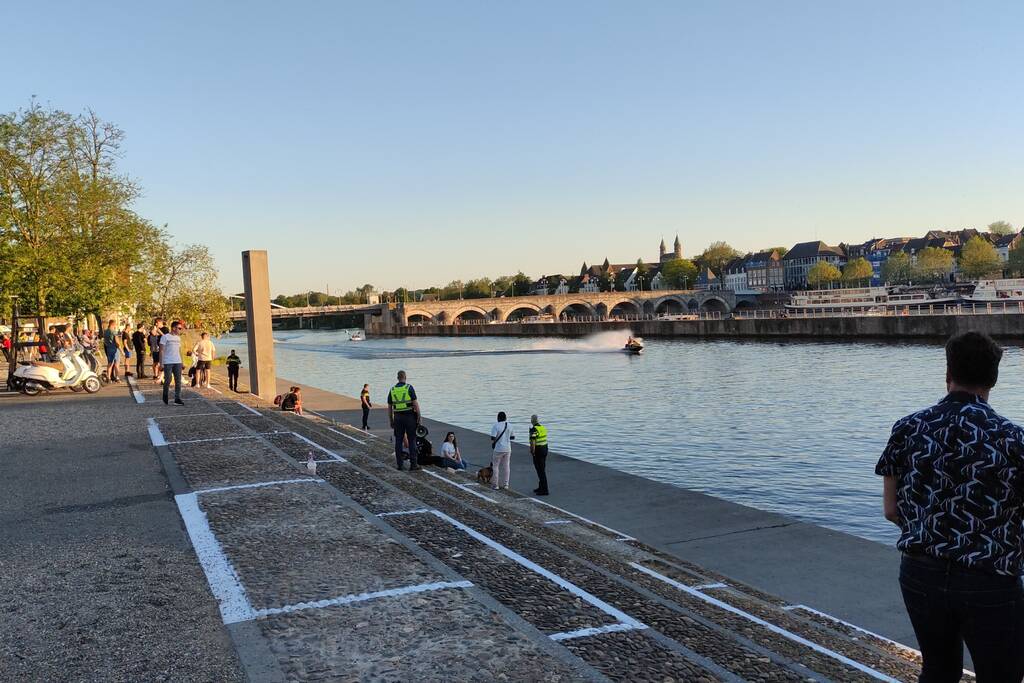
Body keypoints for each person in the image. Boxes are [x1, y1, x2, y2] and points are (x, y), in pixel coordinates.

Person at [876, 332, 1024, 681]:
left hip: (919, 573)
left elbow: (891, 510)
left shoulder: (909, 428)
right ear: (993, 378)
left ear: (948, 373)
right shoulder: (1012, 439)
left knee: (938, 670)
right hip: (990, 579)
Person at [388, 370, 420, 471]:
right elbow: (415, 404)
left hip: (397, 417)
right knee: (412, 440)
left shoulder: (392, 390)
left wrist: (391, 420)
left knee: (398, 441)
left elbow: (389, 407)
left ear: (397, 378)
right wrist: (419, 417)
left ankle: (400, 465)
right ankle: (413, 464)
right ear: (405, 377)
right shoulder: (409, 388)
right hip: (409, 417)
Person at [159, 321, 185, 405]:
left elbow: (180, 351)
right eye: (179, 328)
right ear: (173, 328)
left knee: (178, 381)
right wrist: (161, 363)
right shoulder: (165, 337)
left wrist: (182, 362)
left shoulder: (178, 338)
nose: (180, 330)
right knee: (168, 379)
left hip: (177, 362)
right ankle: (165, 394)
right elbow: (161, 350)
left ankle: (177, 399)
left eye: (181, 328)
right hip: (168, 362)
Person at [489, 411, 515, 490]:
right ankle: (506, 484)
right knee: (506, 466)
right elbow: (512, 437)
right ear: (505, 418)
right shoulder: (510, 425)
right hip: (508, 449)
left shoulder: (496, 426)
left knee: (495, 466)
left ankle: (496, 484)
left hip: (498, 449)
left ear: (498, 418)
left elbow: (492, 438)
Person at [529, 414, 549, 496]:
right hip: (545, 449)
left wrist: (532, 451)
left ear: (532, 421)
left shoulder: (534, 429)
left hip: (538, 451)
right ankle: (541, 487)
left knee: (540, 470)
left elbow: (533, 442)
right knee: (542, 468)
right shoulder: (543, 428)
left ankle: (544, 490)